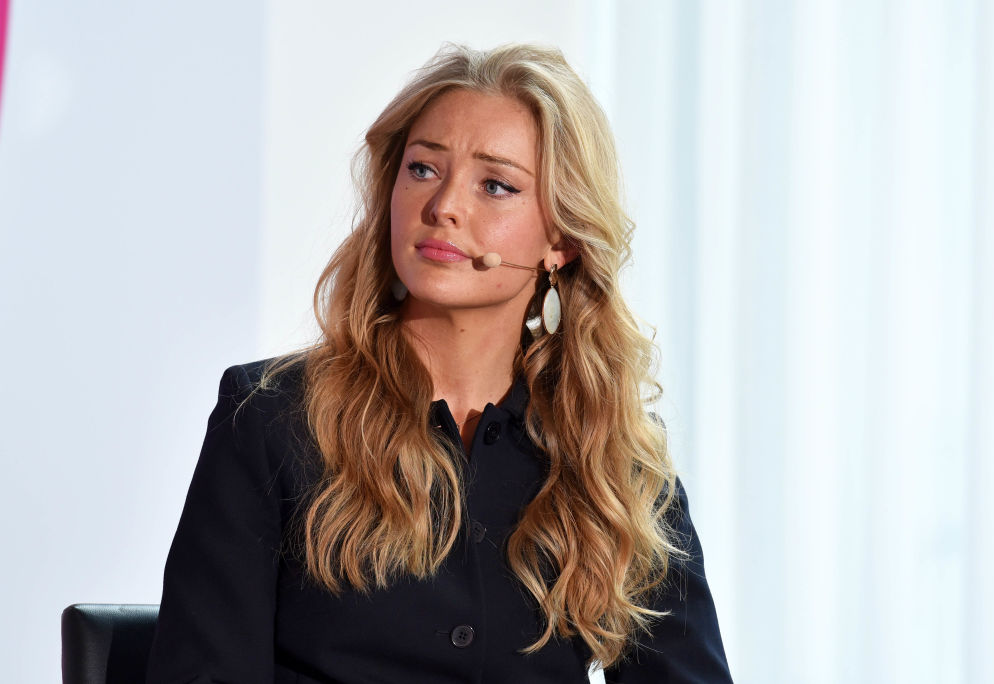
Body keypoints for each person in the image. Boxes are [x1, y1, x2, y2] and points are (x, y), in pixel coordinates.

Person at [146, 43, 732, 684]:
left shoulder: (612, 456)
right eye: (423, 169)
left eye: (496, 185)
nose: (443, 206)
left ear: (562, 240)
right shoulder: (271, 417)